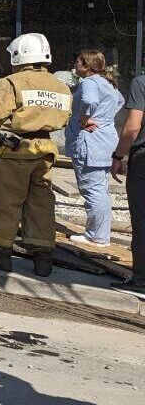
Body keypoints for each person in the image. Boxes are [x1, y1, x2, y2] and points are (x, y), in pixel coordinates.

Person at [0, 33, 71, 277]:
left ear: (19, 55)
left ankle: (1, 253)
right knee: (41, 202)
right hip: (45, 151)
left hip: (14, 150)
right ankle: (42, 258)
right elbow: (65, 117)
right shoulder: (60, 86)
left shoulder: (10, 82)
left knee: (6, 201)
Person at [66, 50, 123, 247]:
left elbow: (89, 101)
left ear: (87, 66)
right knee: (101, 190)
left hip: (90, 142)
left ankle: (95, 236)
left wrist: (84, 119)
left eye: (79, 61)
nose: (75, 63)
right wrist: (105, 119)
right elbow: (120, 102)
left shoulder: (89, 82)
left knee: (92, 190)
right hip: (106, 141)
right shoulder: (108, 83)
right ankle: (101, 234)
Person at [110, 73, 145, 298]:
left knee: (142, 221)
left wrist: (118, 156)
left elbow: (133, 127)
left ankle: (141, 279)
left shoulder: (141, 82)